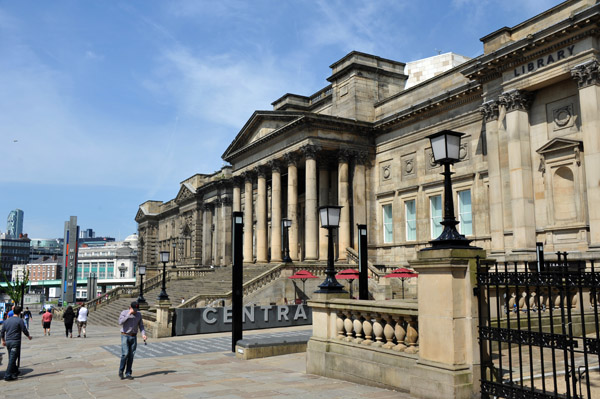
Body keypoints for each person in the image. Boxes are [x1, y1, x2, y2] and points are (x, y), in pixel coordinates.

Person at [1, 306, 32, 381]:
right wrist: (28, 336)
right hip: (15, 341)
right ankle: (7, 375)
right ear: (20, 312)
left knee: (12, 357)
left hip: (8, 341)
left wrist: (3, 340)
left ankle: (15, 371)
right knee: (12, 358)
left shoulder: (6, 321)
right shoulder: (19, 320)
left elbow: (2, 332)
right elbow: (24, 329)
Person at [118, 301, 146, 380]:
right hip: (125, 335)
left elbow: (141, 325)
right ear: (130, 307)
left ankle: (128, 373)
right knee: (125, 354)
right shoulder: (124, 312)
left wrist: (143, 334)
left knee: (131, 355)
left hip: (133, 336)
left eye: (137, 309)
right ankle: (121, 371)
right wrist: (128, 314)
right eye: (134, 309)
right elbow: (120, 322)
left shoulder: (139, 314)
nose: (136, 311)